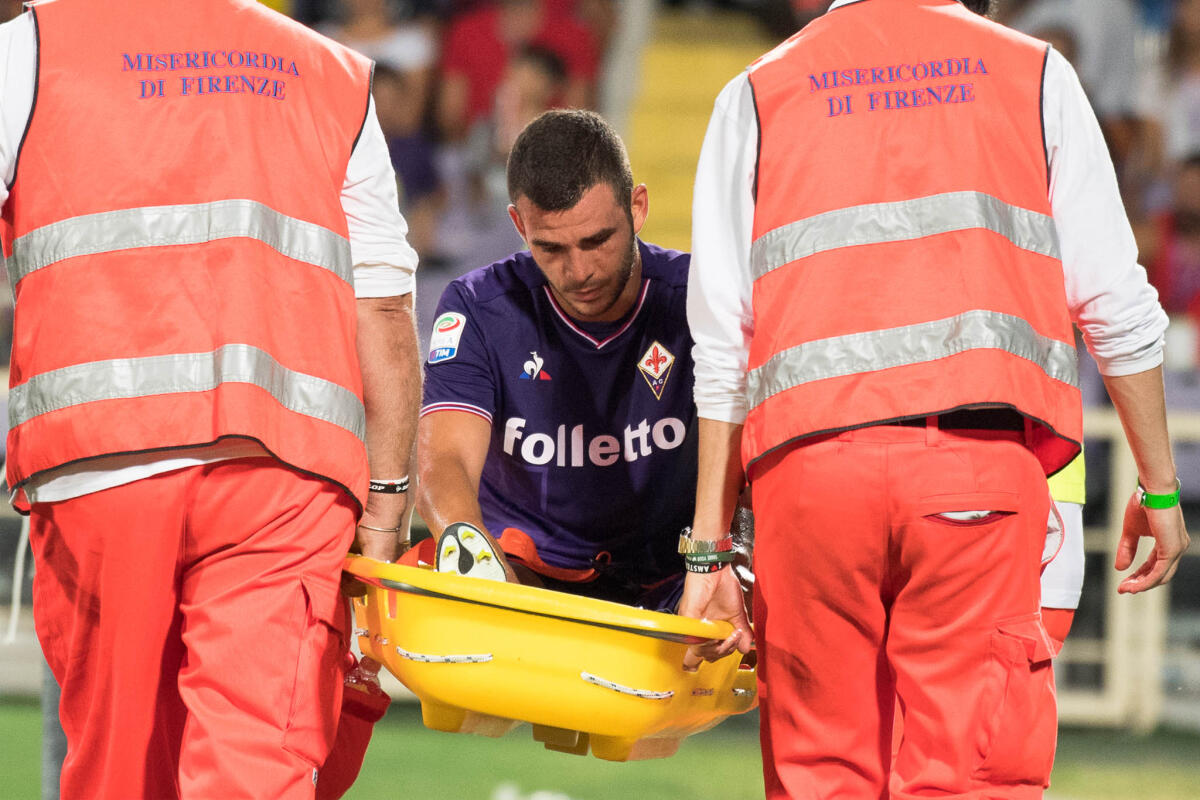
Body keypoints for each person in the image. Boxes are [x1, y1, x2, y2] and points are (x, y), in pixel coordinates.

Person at [680, 0, 1191, 797]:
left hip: (808, 482)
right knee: (972, 774)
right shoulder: (1036, 75)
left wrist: (709, 550)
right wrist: (1159, 484)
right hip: (977, 470)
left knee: (820, 775)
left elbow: (721, 346)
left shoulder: (754, 91)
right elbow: (1117, 306)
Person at [0, 1, 421, 797]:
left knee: (118, 770)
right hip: (288, 476)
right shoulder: (335, 75)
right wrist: (386, 508)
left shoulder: (29, 51)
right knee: (255, 770)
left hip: (102, 464)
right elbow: (385, 307)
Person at [415, 109, 697, 610]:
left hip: (676, 579)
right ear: (518, 225)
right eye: (550, 248)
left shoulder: (699, 298)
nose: (579, 270)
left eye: (597, 240)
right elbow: (444, 462)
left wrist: (722, 559)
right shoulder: (477, 309)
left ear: (638, 207)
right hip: (524, 582)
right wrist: (477, 560)